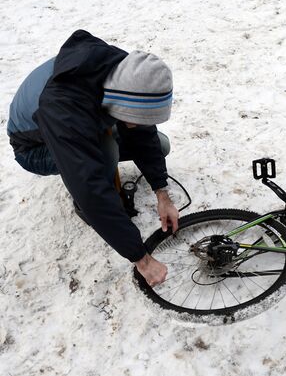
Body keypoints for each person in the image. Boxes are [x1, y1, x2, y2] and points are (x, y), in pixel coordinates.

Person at [6, 30, 177, 287]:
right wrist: (141, 258)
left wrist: (161, 192)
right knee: (105, 151)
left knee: (157, 144)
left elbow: (143, 131)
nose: (137, 124)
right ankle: (82, 209)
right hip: (33, 147)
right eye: (136, 116)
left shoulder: (125, 73)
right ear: (123, 102)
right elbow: (89, 186)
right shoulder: (64, 107)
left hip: (80, 118)